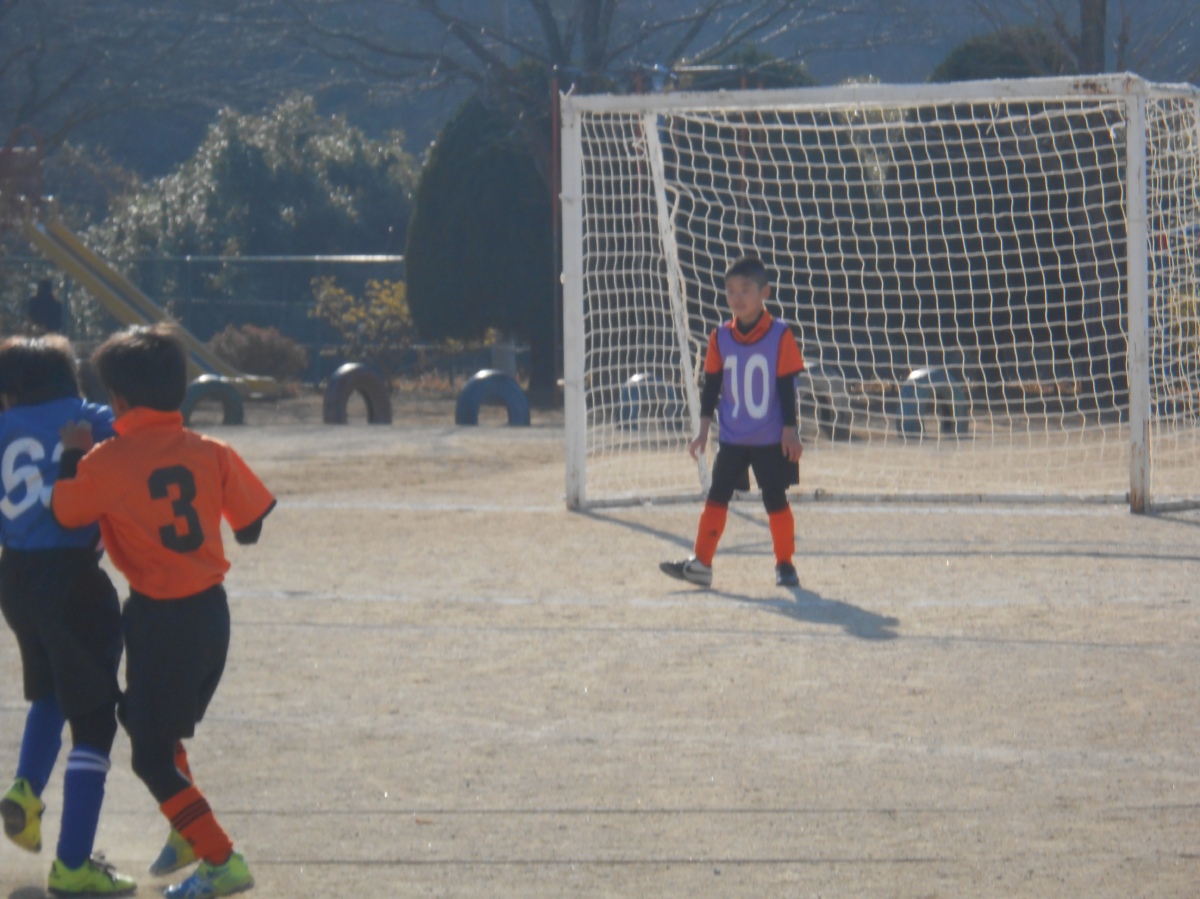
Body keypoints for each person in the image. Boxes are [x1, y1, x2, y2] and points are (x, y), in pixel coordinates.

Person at [52, 323, 275, 899]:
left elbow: (66, 512)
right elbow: (250, 526)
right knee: (150, 724)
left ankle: (221, 860)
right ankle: (186, 830)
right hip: (211, 616)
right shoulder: (211, 451)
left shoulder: (106, 460)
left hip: (161, 621)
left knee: (149, 756)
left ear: (118, 400)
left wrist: (71, 455)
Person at [0, 336, 137, 896]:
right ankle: (73, 865)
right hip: (72, 576)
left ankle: (26, 790)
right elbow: (143, 436)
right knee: (96, 719)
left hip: (15, 576)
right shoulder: (90, 417)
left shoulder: (3, 425)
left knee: (54, 689)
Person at [660, 255, 805, 588]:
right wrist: (702, 432)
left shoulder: (781, 334)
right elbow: (711, 387)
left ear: (764, 293)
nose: (737, 298)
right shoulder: (720, 337)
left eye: (746, 290)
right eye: (731, 291)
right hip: (733, 437)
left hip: (770, 437)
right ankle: (701, 564)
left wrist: (790, 430)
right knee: (716, 496)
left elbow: (787, 386)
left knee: (775, 499)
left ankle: (785, 564)